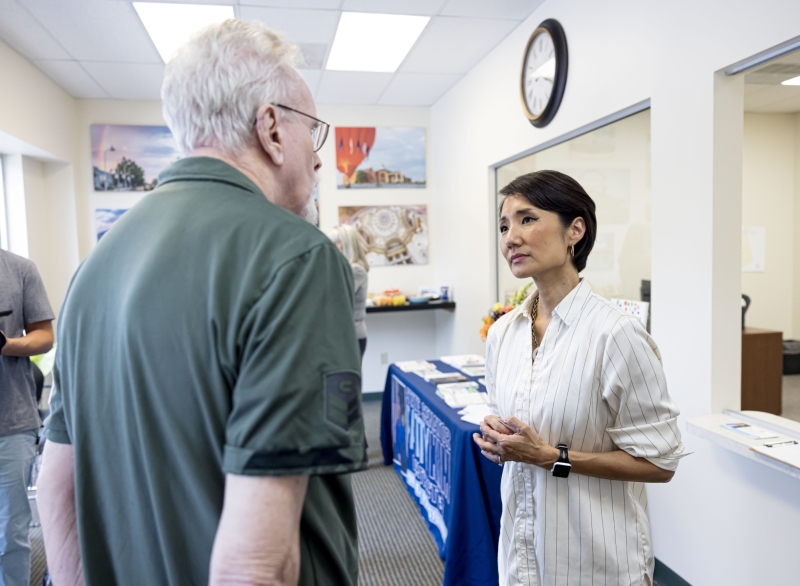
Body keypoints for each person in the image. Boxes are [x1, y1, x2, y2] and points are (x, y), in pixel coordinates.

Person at [38, 20, 367, 586]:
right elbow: (255, 565)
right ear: (269, 128)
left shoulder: (95, 267)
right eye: (311, 131)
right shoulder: (295, 258)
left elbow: (57, 488)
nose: (318, 160)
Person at [472, 170, 686, 586]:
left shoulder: (615, 335)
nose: (510, 238)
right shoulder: (502, 334)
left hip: (595, 563)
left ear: (575, 230)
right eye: (503, 225)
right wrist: (497, 437)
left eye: (527, 219)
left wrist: (553, 457)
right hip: (521, 557)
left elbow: (661, 463)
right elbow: (513, 428)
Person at [0, 249, 54, 586]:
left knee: (10, 530)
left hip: (11, 422)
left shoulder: (19, 269)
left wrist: (5, 344)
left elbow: (44, 336)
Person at [328, 224, 369, 358]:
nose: (333, 247)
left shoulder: (355, 269)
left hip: (352, 337)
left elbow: (336, 297)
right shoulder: (344, 268)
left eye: (336, 242)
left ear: (347, 244)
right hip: (344, 336)